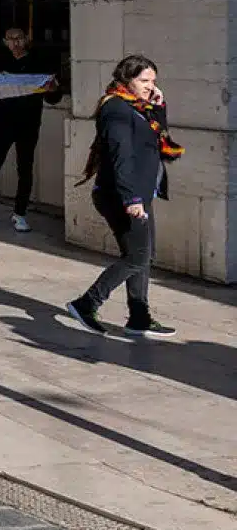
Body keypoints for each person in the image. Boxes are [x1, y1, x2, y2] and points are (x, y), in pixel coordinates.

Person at [66, 55, 181, 338]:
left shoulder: (140, 107)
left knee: (143, 254)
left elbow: (160, 141)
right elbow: (121, 155)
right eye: (144, 80)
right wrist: (131, 199)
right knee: (138, 256)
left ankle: (139, 316)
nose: (149, 86)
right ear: (125, 80)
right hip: (121, 196)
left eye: (153, 80)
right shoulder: (115, 108)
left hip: (141, 194)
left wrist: (159, 107)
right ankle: (86, 304)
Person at [0, 27, 63, 232]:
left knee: (24, 168)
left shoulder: (38, 62)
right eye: (10, 39)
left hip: (29, 121)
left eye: (19, 39)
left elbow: (53, 97)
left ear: (26, 39)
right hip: (3, 121)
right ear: (5, 41)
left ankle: (20, 214)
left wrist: (52, 89)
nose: (15, 43)